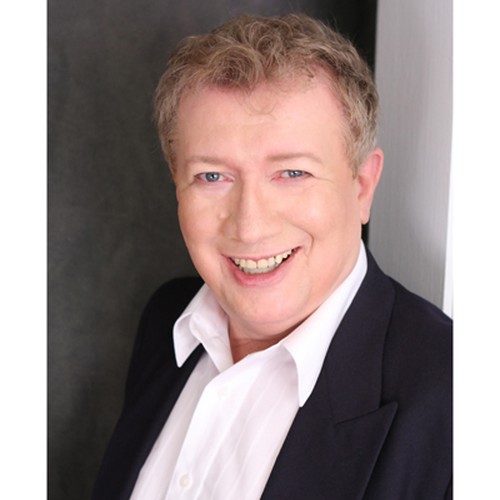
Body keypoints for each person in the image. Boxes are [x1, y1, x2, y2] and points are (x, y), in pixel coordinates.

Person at [93, 13, 452, 500]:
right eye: (212, 177)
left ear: (363, 186)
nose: (250, 225)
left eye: (292, 173)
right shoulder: (165, 321)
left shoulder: (460, 403)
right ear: (177, 184)